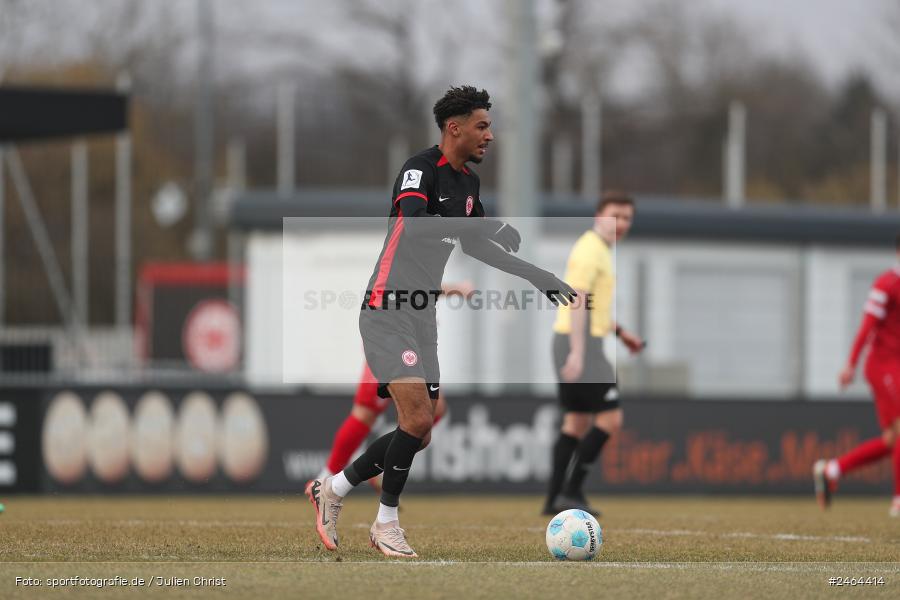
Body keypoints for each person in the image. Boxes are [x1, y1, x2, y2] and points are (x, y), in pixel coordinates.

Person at [307, 85, 576, 557]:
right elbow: (415, 223)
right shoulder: (419, 170)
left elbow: (478, 246)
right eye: (482, 125)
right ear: (454, 128)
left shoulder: (468, 185)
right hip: (387, 306)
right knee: (414, 416)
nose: (490, 135)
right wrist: (483, 225)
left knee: (423, 428)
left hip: (422, 315)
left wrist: (542, 277)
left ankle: (335, 489)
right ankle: (385, 524)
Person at [305, 283, 473, 494]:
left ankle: (364, 467)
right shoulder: (404, 259)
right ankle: (324, 480)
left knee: (431, 413)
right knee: (366, 412)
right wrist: (457, 289)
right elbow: (413, 285)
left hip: (408, 344)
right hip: (390, 343)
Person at [543, 191, 645, 516]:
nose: (621, 223)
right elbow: (577, 300)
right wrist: (577, 352)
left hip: (576, 340)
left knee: (575, 422)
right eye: (615, 215)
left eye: (627, 217)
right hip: (581, 343)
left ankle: (554, 499)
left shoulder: (599, 249)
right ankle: (571, 492)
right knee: (611, 418)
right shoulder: (590, 250)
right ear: (599, 216)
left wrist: (621, 333)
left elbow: (594, 306)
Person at [814, 234, 900, 517]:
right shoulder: (886, 284)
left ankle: (832, 470)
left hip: (895, 367)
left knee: (892, 440)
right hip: (883, 367)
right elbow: (866, 326)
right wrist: (850, 364)